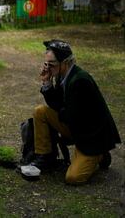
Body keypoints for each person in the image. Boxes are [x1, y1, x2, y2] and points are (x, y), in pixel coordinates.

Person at [30, 39, 121, 184]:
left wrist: (57, 130)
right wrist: (47, 82)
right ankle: (44, 156)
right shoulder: (63, 75)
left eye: (51, 65)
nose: (47, 68)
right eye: (46, 64)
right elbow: (58, 106)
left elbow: (71, 116)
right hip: (75, 125)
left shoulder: (80, 81)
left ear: (65, 63)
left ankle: (100, 155)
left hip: (90, 135)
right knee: (40, 111)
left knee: (73, 178)